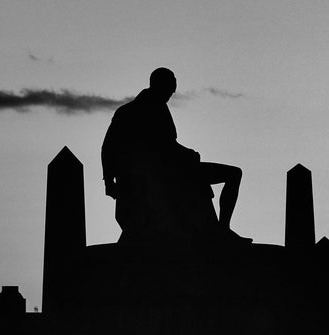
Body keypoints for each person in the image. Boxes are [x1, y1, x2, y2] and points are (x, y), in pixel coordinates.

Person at [101, 67, 246, 243]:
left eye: (171, 93)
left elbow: (164, 144)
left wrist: (187, 154)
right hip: (167, 175)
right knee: (233, 174)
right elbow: (158, 146)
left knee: (230, 174)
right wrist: (109, 182)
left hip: (172, 170)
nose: (169, 96)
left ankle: (220, 229)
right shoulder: (139, 110)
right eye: (168, 91)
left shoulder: (143, 108)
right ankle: (221, 230)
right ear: (158, 86)